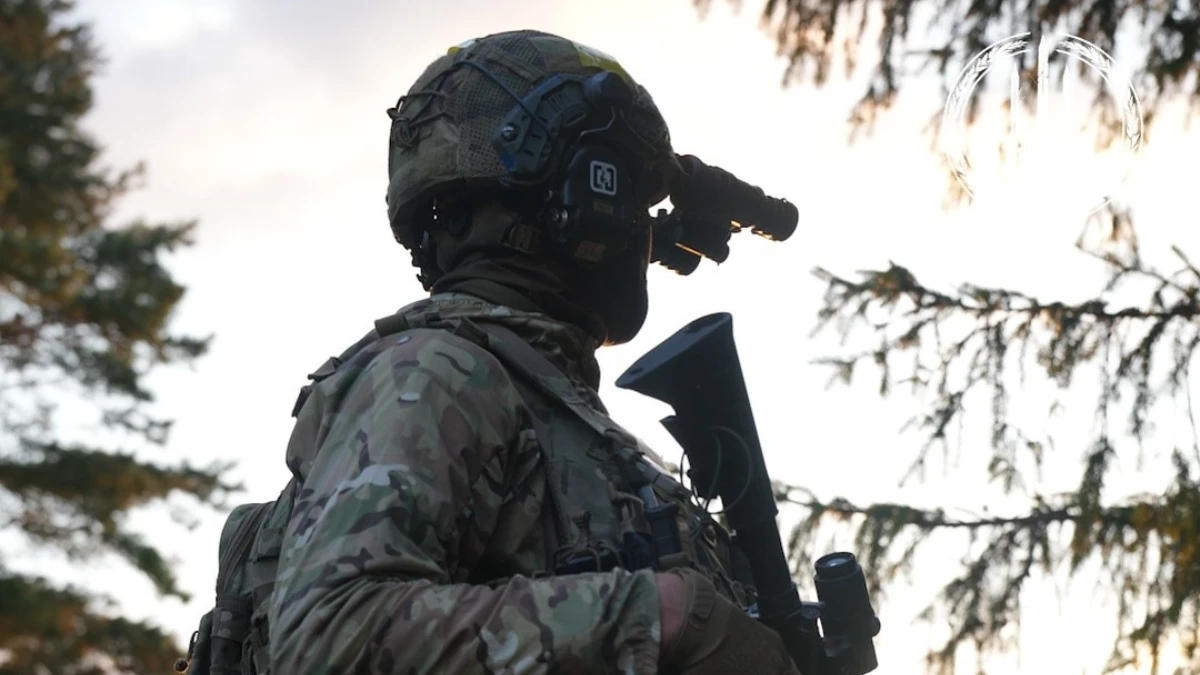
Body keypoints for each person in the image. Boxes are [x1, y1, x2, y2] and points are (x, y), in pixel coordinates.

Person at [266, 29, 802, 675]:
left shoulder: (545, 405)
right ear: (588, 197)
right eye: (632, 194)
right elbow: (328, 635)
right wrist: (661, 616)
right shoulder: (439, 373)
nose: (644, 230)